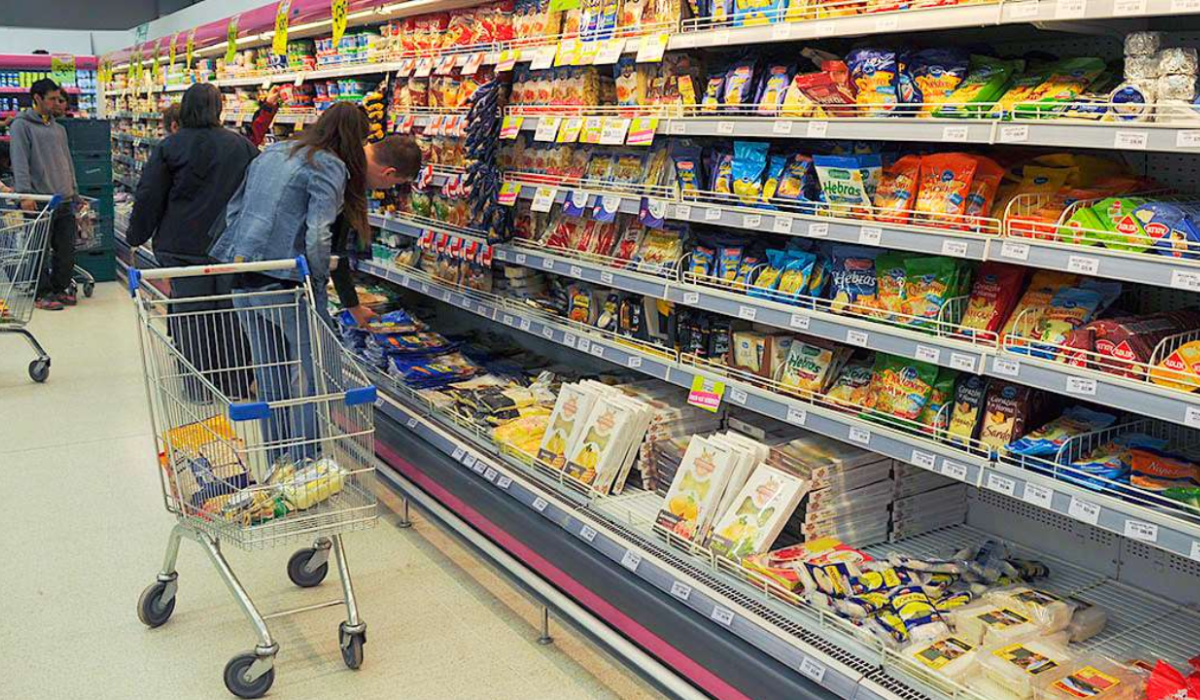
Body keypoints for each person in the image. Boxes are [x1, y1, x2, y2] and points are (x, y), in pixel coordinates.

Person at [209, 103, 420, 459]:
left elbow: (235, 208)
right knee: (315, 377)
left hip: (243, 278)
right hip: (286, 284)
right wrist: (317, 283)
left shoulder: (275, 150)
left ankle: (278, 458)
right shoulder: (329, 165)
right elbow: (319, 233)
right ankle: (304, 462)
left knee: (271, 377)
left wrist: (245, 253)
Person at [127, 83, 260, 399]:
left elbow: (149, 195)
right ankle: (235, 384)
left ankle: (199, 387)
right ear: (219, 109)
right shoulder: (242, 147)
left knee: (192, 316)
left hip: (181, 246)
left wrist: (136, 235)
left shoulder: (170, 147)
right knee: (232, 315)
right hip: (229, 247)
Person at [9, 78, 77, 311]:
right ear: (37, 98)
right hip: (40, 200)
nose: (57, 103)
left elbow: (67, 162)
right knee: (39, 251)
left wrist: (75, 191)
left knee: (66, 249)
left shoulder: (59, 129)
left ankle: (60, 287)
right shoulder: (21, 126)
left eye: (59, 99)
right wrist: (24, 195)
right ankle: (42, 293)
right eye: (52, 99)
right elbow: (19, 162)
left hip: (64, 198)